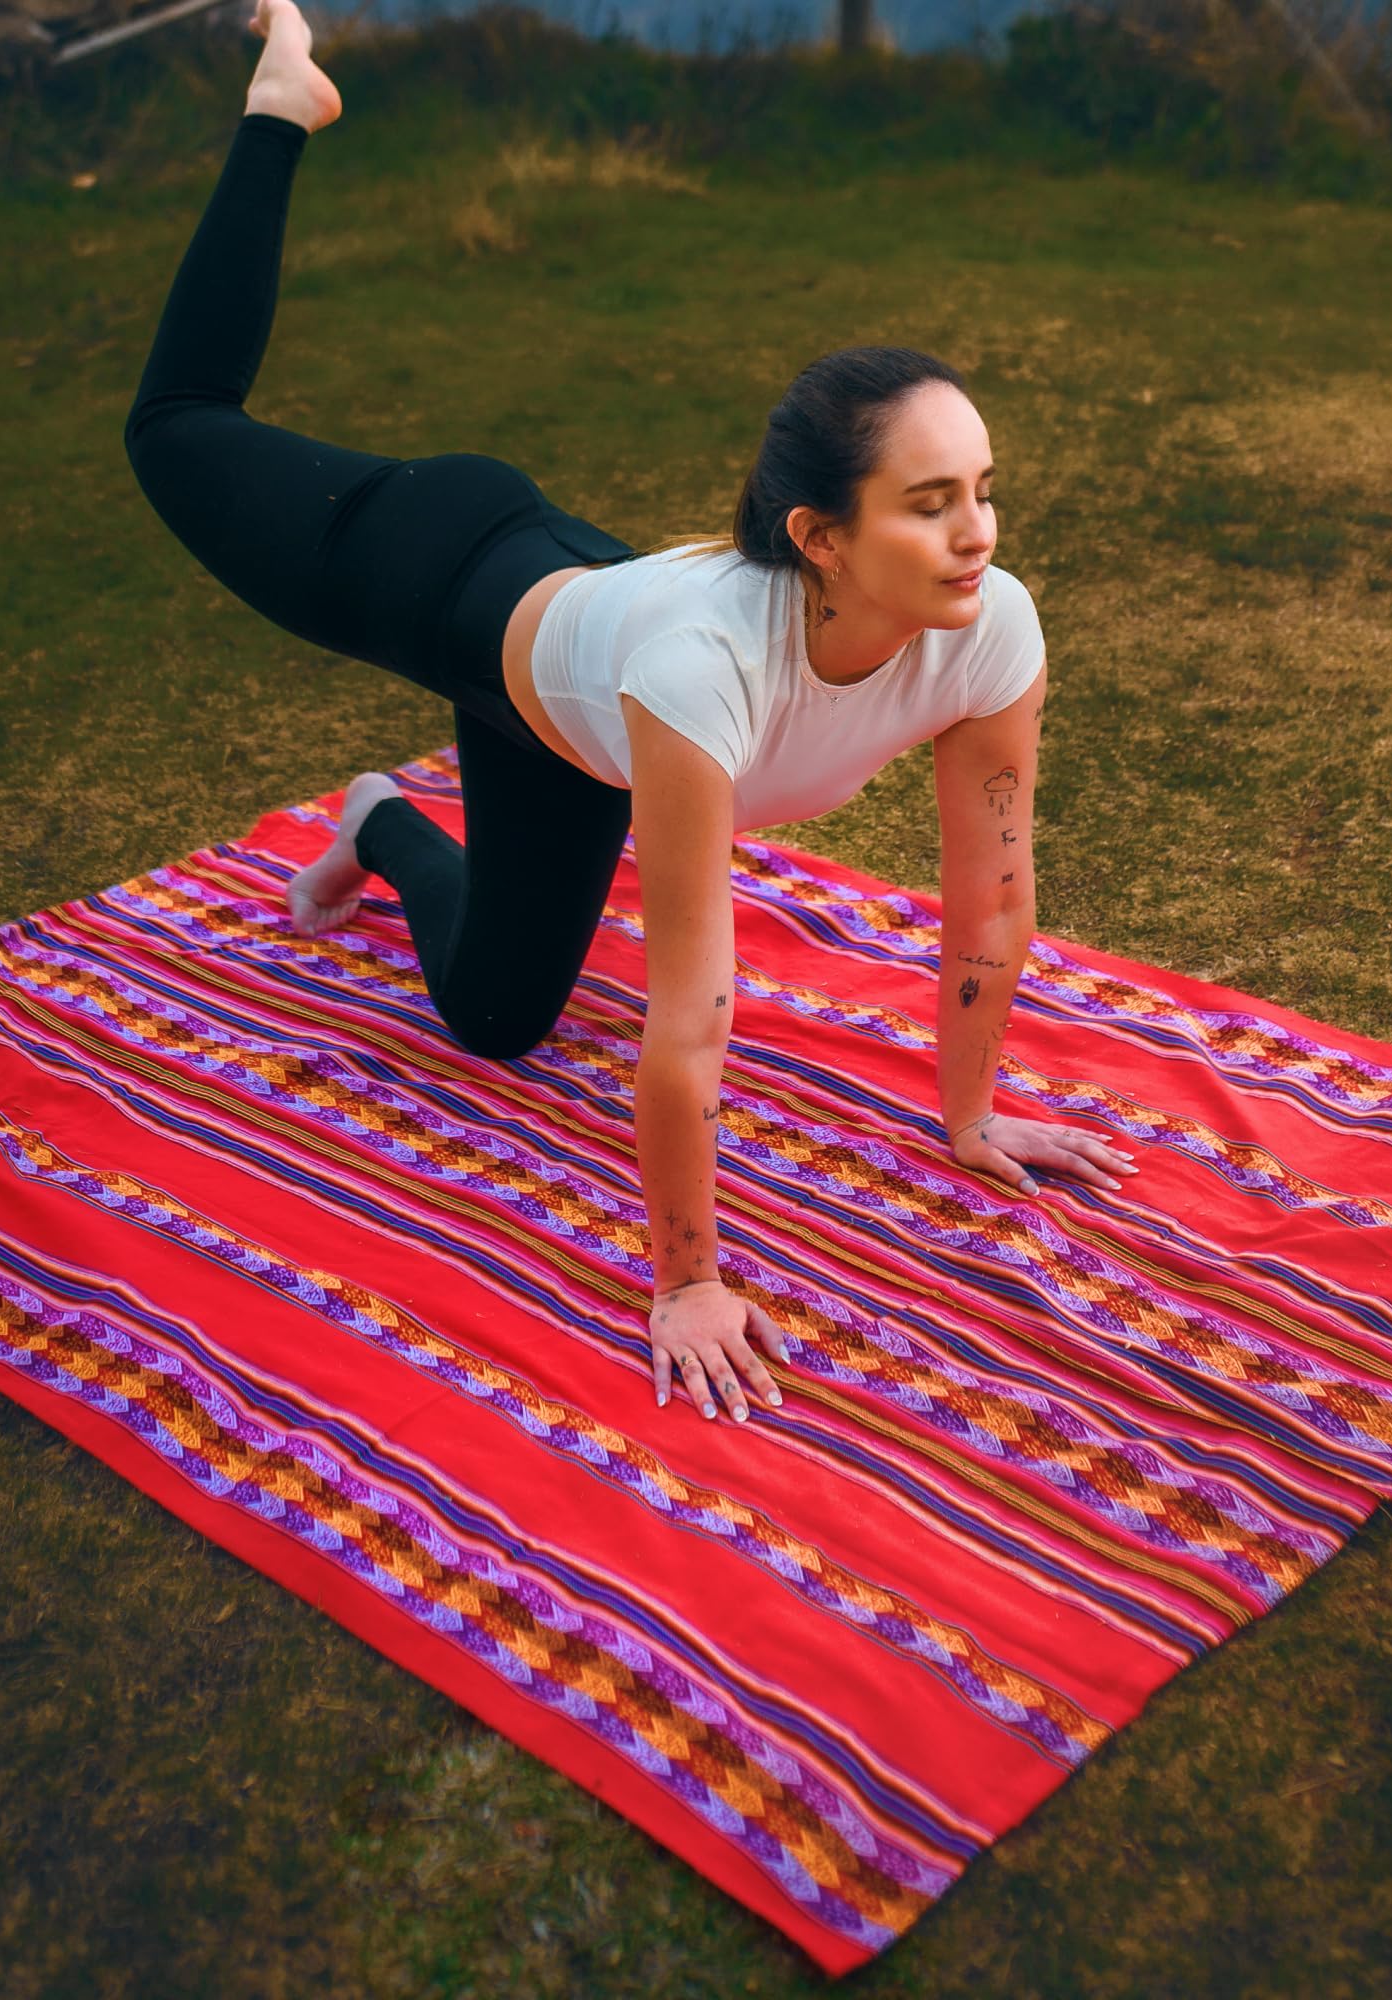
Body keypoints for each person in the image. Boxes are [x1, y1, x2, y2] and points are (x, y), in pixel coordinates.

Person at [124, 0, 1138, 1433]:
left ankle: (378, 816)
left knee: (493, 1017)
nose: (979, 534)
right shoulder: (708, 674)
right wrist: (688, 1283)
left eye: (984, 491)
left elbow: (992, 898)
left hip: (595, 689)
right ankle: (286, 103)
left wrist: (968, 1122)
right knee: (174, 430)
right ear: (823, 538)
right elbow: (691, 1020)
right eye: (930, 503)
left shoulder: (991, 632)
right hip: (448, 571)